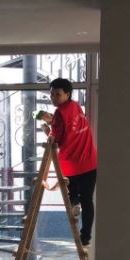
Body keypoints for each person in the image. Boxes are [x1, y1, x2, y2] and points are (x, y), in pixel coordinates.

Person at [41, 78, 98, 246]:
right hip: (90, 161)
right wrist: (53, 121)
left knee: (72, 194)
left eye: (57, 94)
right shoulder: (76, 106)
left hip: (72, 164)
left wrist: (47, 129)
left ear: (67, 94)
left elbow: (55, 139)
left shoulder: (59, 113)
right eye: (52, 94)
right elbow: (70, 125)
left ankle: (74, 202)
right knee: (87, 200)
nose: (54, 98)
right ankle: (85, 237)